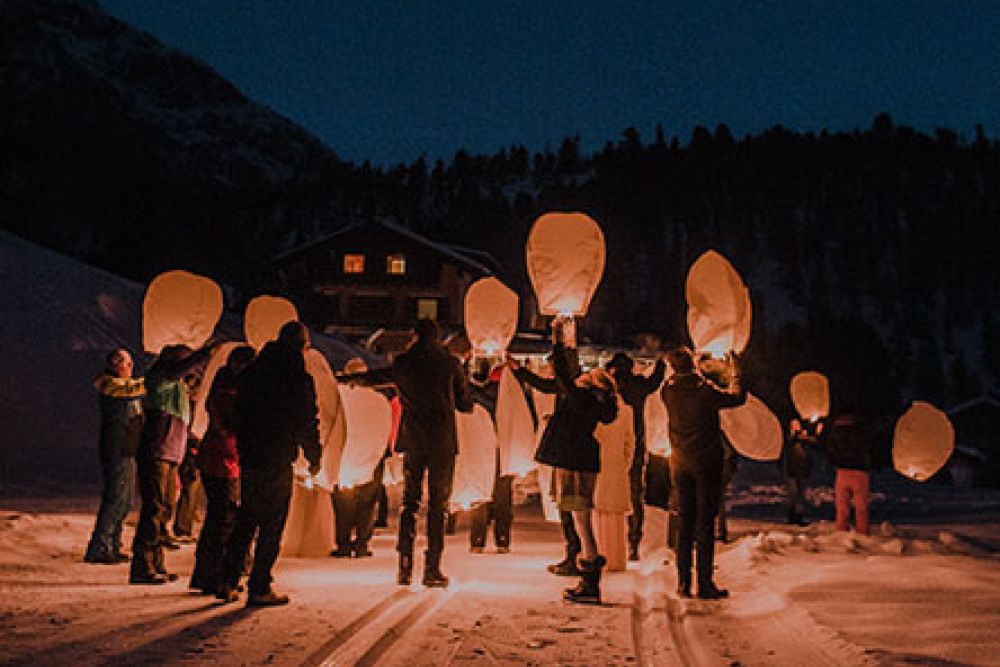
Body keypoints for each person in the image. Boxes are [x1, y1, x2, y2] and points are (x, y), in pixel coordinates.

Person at [218, 322, 322, 606]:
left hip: (251, 455)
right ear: (301, 345)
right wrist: (314, 455)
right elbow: (306, 420)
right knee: (272, 524)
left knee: (247, 517)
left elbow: (238, 411)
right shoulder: (298, 379)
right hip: (277, 456)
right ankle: (259, 585)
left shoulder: (253, 372)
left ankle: (228, 579)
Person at [534, 318, 618, 604]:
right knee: (579, 518)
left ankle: (590, 578)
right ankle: (588, 574)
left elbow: (563, 375)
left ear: (594, 384)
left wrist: (559, 342)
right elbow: (568, 376)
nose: (584, 374)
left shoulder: (584, 399)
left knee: (582, 521)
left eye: (589, 373)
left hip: (575, 463)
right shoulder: (590, 400)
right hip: (579, 461)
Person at [393, 318, 474, 588]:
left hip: (414, 439)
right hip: (441, 441)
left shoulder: (402, 362)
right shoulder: (451, 364)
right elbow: (465, 404)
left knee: (409, 502)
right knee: (438, 504)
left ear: (415, 335)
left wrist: (349, 380)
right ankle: (432, 567)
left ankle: (404, 564)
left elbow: (378, 378)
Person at [661, 348, 746, 600]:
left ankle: (683, 583)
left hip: (680, 462)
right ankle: (705, 583)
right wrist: (735, 371)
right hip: (706, 462)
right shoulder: (704, 392)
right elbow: (736, 398)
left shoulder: (668, 391)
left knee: (684, 522)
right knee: (705, 523)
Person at [130, 342, 215, 584]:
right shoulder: (159, 379)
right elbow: (175, 372)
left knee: (165, 508)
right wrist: (204, 353)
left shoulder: (178, 389)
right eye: (183, 361)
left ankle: (156, 563)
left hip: (171, 456)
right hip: (156, 453)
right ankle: (142, 565)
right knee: (154, 508)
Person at [189, 345, 256, 594]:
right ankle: (214, 575)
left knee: (221, 517)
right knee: (223, 518)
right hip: (222, 459)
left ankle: (208, 574)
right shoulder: (228, 391)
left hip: (225, 458)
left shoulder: (230, 387)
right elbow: (225, 425)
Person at [512, 354, 584, 577]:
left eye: (553, 367)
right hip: (574, 459)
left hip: (569, 459)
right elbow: (544, 386)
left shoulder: (574, 390)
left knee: (571, 508)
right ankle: (577, 554)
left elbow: (545, 386)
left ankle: (576, 556)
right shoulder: (579, 389)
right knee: (573, 509)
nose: (550, 371)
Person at [85, 348, 144, 565]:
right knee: (114, 499)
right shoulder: (109, 385)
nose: (130, 367)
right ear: (113, 365)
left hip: (129, 449)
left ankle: (113, 544)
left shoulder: (128, 388)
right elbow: (136, 388)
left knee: (125, 501)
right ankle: (99, 547)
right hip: (116, 449)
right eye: (125, 363)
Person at [605, 352, 665, 561]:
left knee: (606, 494)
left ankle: (609, 540)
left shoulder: (607, 387)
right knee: (634, 493)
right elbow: (656, 381)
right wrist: (661, 362)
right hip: (635, 445)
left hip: (608, 447)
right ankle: (633, 541)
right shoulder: (638, 386)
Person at [468, 364, 514, 554]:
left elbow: (466, 389)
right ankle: (502, 540)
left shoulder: (477, 397)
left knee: (480, 493)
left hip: (480, 449)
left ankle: (477, 541)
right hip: (504, 451)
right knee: (503, 498)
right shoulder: (512, 401)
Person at [825, 412, 873, 535]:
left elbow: (829, 450)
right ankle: (862, 531)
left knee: (842, 506)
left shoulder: (835, 433)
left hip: (842, 470)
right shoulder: (861, 433)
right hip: (859, 471)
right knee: (861, 506)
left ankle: (841, 530)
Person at [784, 418, 822, 526]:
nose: (797, 426)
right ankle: (791, 517)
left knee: (800, 495)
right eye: (794, 424)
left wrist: (817, 433)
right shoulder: (790, 437)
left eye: (798, 424)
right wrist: (800, 435)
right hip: (791, 470)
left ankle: (798, 517)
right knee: (793, 494)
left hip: (803, 469)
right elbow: (791, 440)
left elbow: (815, 443)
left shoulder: (804, 438)